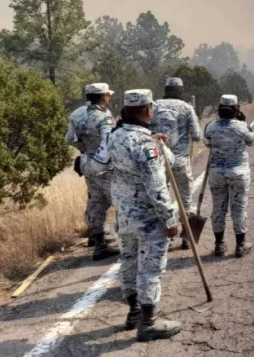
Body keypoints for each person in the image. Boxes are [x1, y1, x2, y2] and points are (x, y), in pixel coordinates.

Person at [108, 89, 182, 342]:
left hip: (124, 214)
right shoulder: (147, 145)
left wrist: (153, 139)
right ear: (148, 110)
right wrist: (169, 218)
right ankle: (149, 323)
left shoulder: (114, 136)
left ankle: (134, 313)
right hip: (148, 217)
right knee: (150, 270)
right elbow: (156, 186)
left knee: (128, 263)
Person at [66, 83, 120, 261]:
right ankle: (127, 241)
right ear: (103, 96)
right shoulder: (104, 116)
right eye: (108, 95)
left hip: (86, 162)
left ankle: (98, 243)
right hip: (104, 166)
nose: (109, 98)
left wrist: (85, 150)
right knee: (119, 201)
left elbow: (70, 138)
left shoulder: (77, 113)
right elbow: (108, 140)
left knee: (96, 202)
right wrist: (103, 158)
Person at [151, 77, 202, 250]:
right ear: (181, 90)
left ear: (166, 89)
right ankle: (186, 237)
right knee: (185, 201)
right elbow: (197, 136)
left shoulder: (154, 105)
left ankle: (166, 234)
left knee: (161, 199)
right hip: (180, 159)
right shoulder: (187, 108)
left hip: (159, 159)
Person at [204, 94, 254, 258]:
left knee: (218, 208)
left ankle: (219, 245)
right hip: (238, 173)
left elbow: (207, 143)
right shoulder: (241, 127)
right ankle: (240, 245)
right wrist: (243, 121)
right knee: (239, 208)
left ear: (219, 109)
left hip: (217, 173)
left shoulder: (210, 126)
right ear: (236, 110)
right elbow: (252, 141)